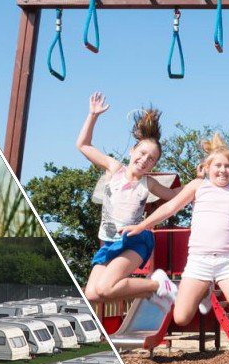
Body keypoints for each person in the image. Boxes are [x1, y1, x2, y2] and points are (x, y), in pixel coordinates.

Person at [125, 134, 229, 338]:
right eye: (218, 165)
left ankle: (207, 289)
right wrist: (141, 226)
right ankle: (201, 290)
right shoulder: (198, 186)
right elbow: (169, 208)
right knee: (181, 318)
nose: (223, 170)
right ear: (208, 167)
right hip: (199, 261)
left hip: (228, 262)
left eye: (228, 166)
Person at [76, 93, 181, 310]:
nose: (144, 160)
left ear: (154, 165)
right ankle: (153, 291)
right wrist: (92, 115)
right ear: (133, 151)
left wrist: (199, 182)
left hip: (135, 241)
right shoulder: (114, 169)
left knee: (106, 288)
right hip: (108, 242)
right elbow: (84, 145)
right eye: (142, 153)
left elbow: (176, 197)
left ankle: (156, 285)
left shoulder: (148, 183)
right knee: (92, 294)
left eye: (151, 159)